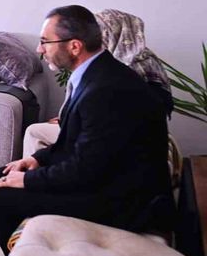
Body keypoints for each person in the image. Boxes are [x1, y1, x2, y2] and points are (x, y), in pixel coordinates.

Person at [0, 5, 172, 256]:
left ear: (74, 46)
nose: (39, 49)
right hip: (105, 179)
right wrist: (36, 160)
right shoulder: (97, 72)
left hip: (120, 201)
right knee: (1, 174)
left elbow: (85, 170)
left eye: (45, 42)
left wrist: (28, 180)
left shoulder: (106, 89)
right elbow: (73, 142)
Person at [21, 8, 175, 157]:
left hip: (119, 136)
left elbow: (112, 114)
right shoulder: (139, 62)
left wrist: (71, 121)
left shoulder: (123, 73)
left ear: (115, 35)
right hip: (108, 131)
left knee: (34, 133)